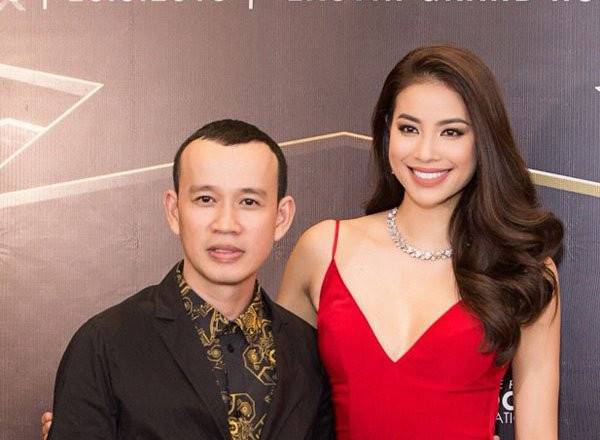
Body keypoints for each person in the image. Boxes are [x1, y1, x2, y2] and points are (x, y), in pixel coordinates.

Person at [277, 45, 563, 439]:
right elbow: (280, 412)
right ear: (386, 132)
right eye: (409, 129)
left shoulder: (522, 269)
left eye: (451, 132)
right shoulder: (323, 250)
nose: (425, 152)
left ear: (483, 141)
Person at [43, 119, 334, 440]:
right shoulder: (105, 343)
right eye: (206, 199)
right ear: (174, 211)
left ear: (281, 218)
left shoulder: (309, 353)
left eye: (249, 202)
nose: (226, 224)